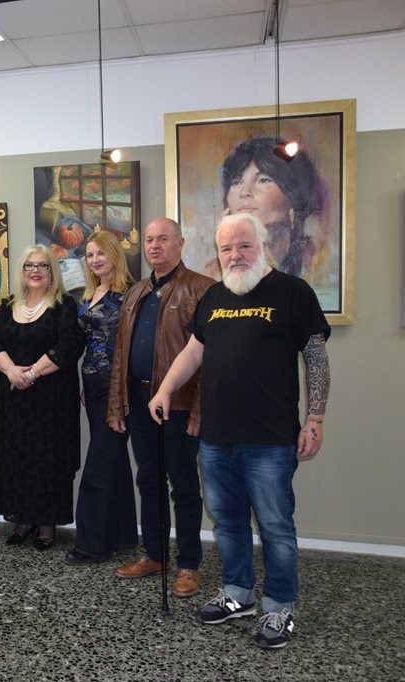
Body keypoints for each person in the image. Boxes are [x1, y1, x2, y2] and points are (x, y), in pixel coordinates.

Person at [148, 213, 330, 649]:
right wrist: (165, 390)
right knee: (228, 522)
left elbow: (316, 358)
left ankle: (280, 607)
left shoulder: (293, 292)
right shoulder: (214, 296)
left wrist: (316, 417)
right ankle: (238, 594)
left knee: (275, 526)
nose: (235, 254)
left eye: (244, 245)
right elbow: (193, 352)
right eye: (226, 248)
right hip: (216, 438)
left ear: (263, 245)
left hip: (270, 439)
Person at [106, 217, 213, 597]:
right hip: (139, 401)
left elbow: (209, 360)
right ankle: (154, 554)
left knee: (183, 485)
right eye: (150, 239)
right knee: (148, 480)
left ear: (180, 243)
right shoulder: (136, 292)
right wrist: (117, 404)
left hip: (179, 405)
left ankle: (189, 565)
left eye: (163, 239)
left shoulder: (202, 289)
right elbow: (121, 352)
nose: (154, 246)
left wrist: (199, 412)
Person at [0, 244, 83, 549]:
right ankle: (23, 519)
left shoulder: (64, 305)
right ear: (22, 271)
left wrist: (31, 374)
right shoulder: (9, 305)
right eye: (29, 265)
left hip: (52, 402)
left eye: (42, 265)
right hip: (14, 400)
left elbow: (69, 345)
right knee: (18, 458)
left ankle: (46, 523)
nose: (35, 271)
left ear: (52, 271)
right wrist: (12, 371)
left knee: (48, 460)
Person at [65, 231, 138, 565]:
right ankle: (122, 536)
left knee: (98, 466)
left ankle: (91, 545)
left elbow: (132, 348)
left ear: (114, 255)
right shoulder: (89, 293)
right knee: (115, 461)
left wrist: (120, 395)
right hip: (92, 386)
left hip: (116, 388)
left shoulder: (131, 294)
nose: (94, 260)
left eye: (100, 254)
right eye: (90, 255)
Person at [220, 137, 323, 278]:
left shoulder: (317, 262)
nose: (244, 192)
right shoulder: (216, 273)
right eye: (236, 182)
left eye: (263, 180)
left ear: (292, 195)